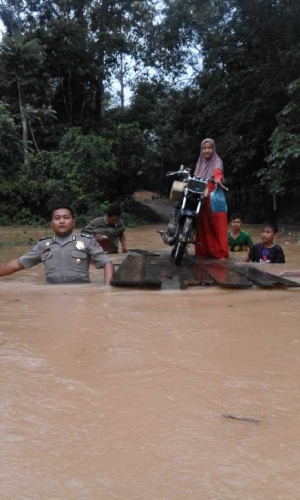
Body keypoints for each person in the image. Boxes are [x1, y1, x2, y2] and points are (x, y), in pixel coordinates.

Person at [0, 206, 114, 285]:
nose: (62, 221)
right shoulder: (43, 245)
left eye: (66, 217)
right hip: (51, 296)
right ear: (51, 224)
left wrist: (107, 290)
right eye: (57, 218)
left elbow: (107, 264)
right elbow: (17, 264)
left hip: (81, 296)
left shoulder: (87, 242)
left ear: (73, 222)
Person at [194, 138, 229, 259]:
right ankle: (203, 252)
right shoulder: (200, 162)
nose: (207, 151)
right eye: (204, 148)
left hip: (213, 195)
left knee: (217, 225)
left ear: (213, 149)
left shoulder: (217, 161)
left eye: (209, 148)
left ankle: (221, 253)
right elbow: (196, 176)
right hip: (201, 195)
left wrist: (218, 179)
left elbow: (217, 172)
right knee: (202, 224)